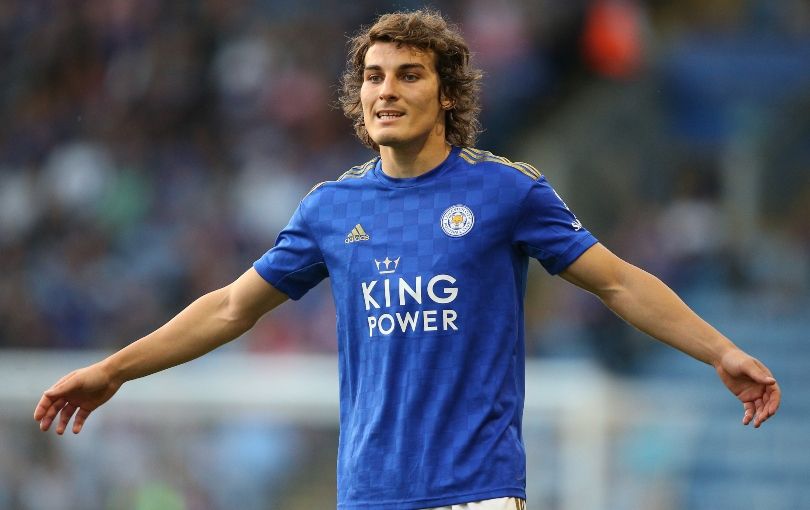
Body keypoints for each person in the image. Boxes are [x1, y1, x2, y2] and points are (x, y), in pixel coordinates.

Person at [34, 9, 780, 510]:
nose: (386, 91)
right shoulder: (330, 209)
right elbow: (231, 307)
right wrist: (114, 370)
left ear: (449, 94)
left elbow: (617, 282)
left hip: (477, 491)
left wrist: (720, 350)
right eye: (373, 77)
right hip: (369, 493)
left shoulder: (507, 192)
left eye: (408, 75)